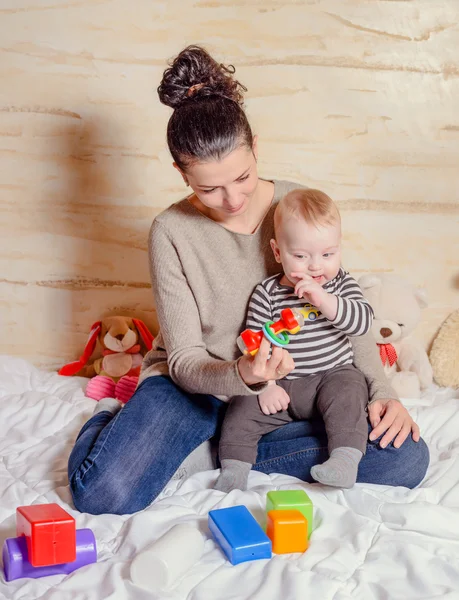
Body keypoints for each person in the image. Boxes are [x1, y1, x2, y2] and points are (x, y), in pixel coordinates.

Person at [68, 45, 429, 516]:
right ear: (180, 172)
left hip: (294, 389)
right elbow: (184, 359)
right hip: (195, 387)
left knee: (404, 459)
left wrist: (381, 393)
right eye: (208, 188)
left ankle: (218, 450)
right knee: (102, 493)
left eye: (242, 176)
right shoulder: (170, 231)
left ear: (255, 146)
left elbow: (342, 308)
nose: (232, 199)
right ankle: (111, 425)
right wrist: (242, 375)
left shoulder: (299, 203)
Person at [215, 188, 374, 493]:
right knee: (240, 409)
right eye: (301, 256)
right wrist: (266, 386)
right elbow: (256, 345)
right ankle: (233, 470)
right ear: (278, 252)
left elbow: (362, 321)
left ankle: (344, 460)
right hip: (282, 384)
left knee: (352, 388)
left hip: (331, 377)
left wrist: (325, 300)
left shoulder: (341, 283)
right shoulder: (268, 292)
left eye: (328, 254)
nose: (316, 266)